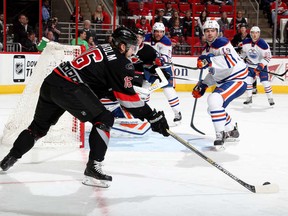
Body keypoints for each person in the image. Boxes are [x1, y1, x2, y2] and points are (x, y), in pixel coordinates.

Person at [0, 26, 170, 188]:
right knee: (104, 119)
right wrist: (152, 117)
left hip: (52, 81)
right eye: (132, 48)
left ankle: (10, 158)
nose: (134, 52)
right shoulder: (120, 62)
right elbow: (128, 100)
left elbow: (100, 82)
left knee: (37, 129)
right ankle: (93, 167)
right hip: (70, 88)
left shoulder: (102, 48)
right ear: (122, 45)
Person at [192, 19, 248, 148]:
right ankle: (232, 130)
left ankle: (220, 134)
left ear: (217, 32)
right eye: (207, 31)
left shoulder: (222, 43)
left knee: (214, 99)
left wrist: (209, 61)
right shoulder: (207, 50)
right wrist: (204, 84)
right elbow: (214, 72)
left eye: (212, 31)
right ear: (204, 33)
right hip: (227, 81)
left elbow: (229, 63)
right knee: (212, 108)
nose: (210, 33)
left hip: (238, 79)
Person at [144, 22, 182, 123]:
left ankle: (177, 113)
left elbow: (166, 57)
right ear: (153, 31)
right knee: (144, 90)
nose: (158, 34)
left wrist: (160, 59)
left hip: (164, 68)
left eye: (161, 32)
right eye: (156, 31)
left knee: (169, 91)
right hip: (149, 68)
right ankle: (142, 112)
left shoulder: (166, 41)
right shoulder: (145, 38)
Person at [240, 26, 274, 106]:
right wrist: (241, 58)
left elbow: (268, 57)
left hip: (260, 66)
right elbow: (244, 53)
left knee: (265, 83)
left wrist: (261, 65)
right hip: (250, 66)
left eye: (257, 33)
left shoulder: (263, 44)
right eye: (253, 33)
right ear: (250, 34)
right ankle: (249, 98)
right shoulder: (245, 42)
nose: (255, 35)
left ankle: (270, 98)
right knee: (248, 82)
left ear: (259, 34)